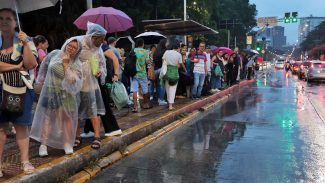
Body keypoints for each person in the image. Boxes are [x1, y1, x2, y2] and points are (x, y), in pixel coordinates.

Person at [0, 8, 38, 175]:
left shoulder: (24, 40)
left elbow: (30, 64)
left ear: (16, 22)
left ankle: (25, 161)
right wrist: (16, 66)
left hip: (20, 90)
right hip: (0, 90)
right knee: (0, 129)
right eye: (1, 18)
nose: (4, 21)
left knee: (21, 126)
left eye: (8, 18)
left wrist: (25, 45)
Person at [30, 38, 83, 156]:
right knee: (47, 118)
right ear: (66, 44)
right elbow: (43, 68)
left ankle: (67, 143)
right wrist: (39, 83)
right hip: (50, 91)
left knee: (66, 119)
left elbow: (72, 80)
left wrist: (65, 64)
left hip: (66, 94)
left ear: (77, 51)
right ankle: (43, 145)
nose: (71, 48)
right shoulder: (54, 54)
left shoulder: (76, 63)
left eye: (75, 47)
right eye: (70, 45)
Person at [75, 22, 107, 149]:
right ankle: (76, 136)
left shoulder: (98, 49)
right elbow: (68, 59)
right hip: (76, 83)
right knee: (75, 111)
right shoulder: (78, 43)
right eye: (101, 39)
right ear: (94, 37)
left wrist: (101, 72)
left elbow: (102, 65)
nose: (103, 42)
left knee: (93, 110)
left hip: (91, 85)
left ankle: (97, 137)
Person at [161, 40, 186, 110]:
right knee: (173, 89)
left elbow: (163, 61)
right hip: (174, 73)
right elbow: (179, 65)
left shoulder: (166, 52)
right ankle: (170, 105)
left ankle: (169, 102)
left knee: (167, 88)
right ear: (178, 47)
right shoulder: (179, 55)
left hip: (167, 72)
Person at [131, 38, 152, 112]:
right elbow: (147, 62)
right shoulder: (146, 52)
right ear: (142, 44)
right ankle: (145, 104)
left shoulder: (133, 50)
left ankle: (135, 107)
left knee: (134, 90)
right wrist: (150, 59)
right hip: (143, 73)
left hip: (134, 73)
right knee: (145, 89)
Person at [152, 39, 168, 105]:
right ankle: (161, 100)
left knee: (157, 85)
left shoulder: (155, 52)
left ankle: (157, 99)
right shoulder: (165, 51)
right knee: (162, 85)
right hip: (161, 70)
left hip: (155, 70)